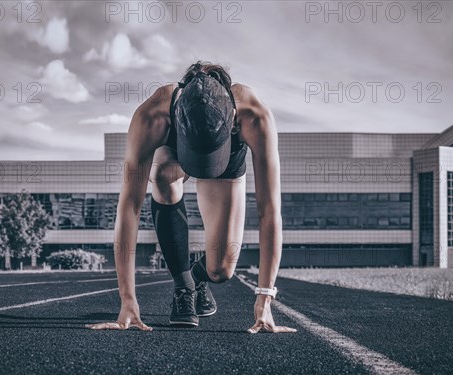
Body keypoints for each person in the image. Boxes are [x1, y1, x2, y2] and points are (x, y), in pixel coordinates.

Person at [86, 61, 296, 334]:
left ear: (234, 116)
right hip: (173, 157)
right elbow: (129, 207)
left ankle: (198, 279)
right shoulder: (152, 116)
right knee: (160, 171)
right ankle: (184, 285)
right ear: (176, 117)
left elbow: (269, 211)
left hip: (227, 164)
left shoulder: (255, 116)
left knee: (221, 270)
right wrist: (127, 301)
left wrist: (265, 299)